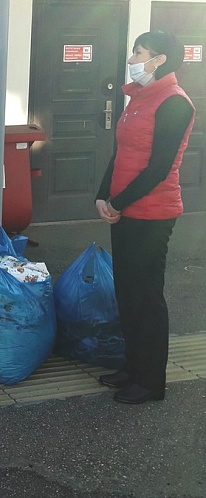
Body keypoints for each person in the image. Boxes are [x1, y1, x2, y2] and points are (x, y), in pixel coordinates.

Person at [95, 31, 195, 405]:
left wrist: (118, 202)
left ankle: (151, 381)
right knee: (127, 291)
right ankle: (133, 366)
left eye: (139, 53)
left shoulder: (174, 102)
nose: (132, 59)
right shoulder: (138, 98)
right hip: (125, 210)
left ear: (160, 59)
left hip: (152, 214)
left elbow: (158, 167)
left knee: (146, 296)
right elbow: (120, 153)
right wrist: (102, 196)